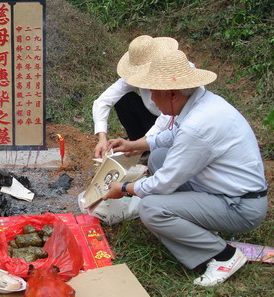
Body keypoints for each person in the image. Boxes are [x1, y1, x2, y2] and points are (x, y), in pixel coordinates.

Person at [103, 48, 268, 286]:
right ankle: (188, 220)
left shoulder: (198, 127)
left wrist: (125, 187)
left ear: (171, 94)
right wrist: (133, 144)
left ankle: (223, 255)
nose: (152, 101)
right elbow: (168, 137)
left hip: (240, 206)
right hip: (225, 190)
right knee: (158, 156)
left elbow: (165, 182)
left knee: (151, 208)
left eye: (153, 95)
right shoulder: (201, 102)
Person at [93, 35, 178, 158]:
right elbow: (103, 100)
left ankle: (143, 147)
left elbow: (168, 118)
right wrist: (102, 138)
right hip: (152, 119)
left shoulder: (179, 73)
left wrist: (139, 145)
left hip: (174, 126)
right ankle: (141, 148)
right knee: (124, 98)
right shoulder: (136, 75)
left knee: (160, 155)